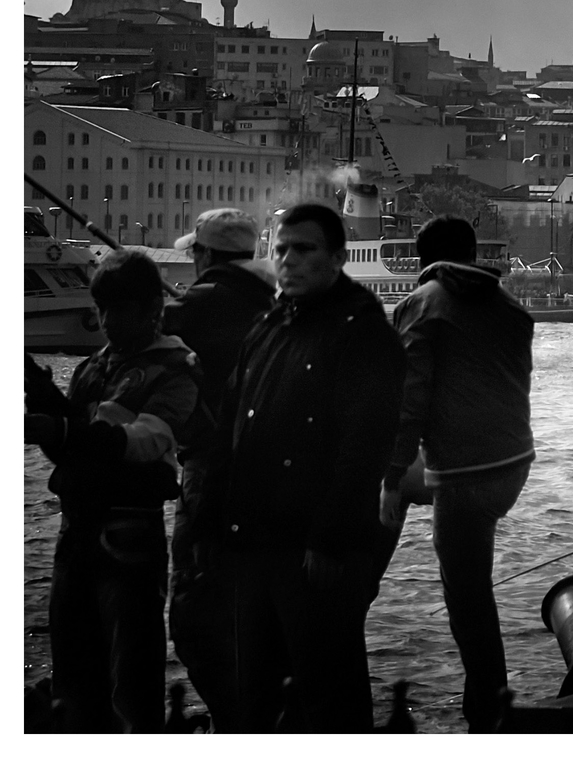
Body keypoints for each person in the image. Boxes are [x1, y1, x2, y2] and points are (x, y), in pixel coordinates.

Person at [202, 202, 405, 731]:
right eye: (281, 248)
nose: (288, 260)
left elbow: (365, 446)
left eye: (304, 249)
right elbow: (229, 427)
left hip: (313, 548)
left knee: (327, 695)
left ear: (337, 258)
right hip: (253, 539)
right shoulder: (271, 322)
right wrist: (210, 519)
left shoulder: (362, 331)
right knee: (257, 693)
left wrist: (330, 537)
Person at [25, 249, 200, 732]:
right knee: (72, 678)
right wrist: (41, 399)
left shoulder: (176, 368)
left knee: (132, 679)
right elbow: (74, 451)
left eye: (119, 310)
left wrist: (56, 428)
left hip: (129, 540)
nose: (106, 322)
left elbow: (145, 440)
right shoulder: (93, 367)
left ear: (152, 311)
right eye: (102, 309)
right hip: (74, 535)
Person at [379, 215, 536, 733]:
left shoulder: (421, 305)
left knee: (466, 597)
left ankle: (488, 714)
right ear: (473, 252)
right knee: (474, 582)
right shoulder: (511, 307)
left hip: (466, 472)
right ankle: (487, 701)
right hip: (512, 465)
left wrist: (390, 472)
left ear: (420, 260)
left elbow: (409, 401)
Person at [162, 207, 277, 731]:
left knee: (193, 607)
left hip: (210, 471)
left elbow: (153, 338)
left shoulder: (201, 300)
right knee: (253, 608)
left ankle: (232, 720)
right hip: (270, 474)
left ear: (205, 256)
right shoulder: (275, 305)